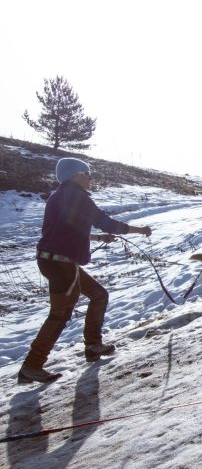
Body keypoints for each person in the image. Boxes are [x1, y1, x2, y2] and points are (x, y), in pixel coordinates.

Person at [17, 157, 152, 384]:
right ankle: (32, 365)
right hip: (62, 264)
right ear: (75, 175)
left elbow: (66, 228)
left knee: (98, 295)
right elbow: (106, 222)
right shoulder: (78, 197)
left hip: (53, 261)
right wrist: (141, 230)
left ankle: (93, 346)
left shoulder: (58, 197)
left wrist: (98, 238)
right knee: (60, 313)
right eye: (87, 173)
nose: (90, 177)